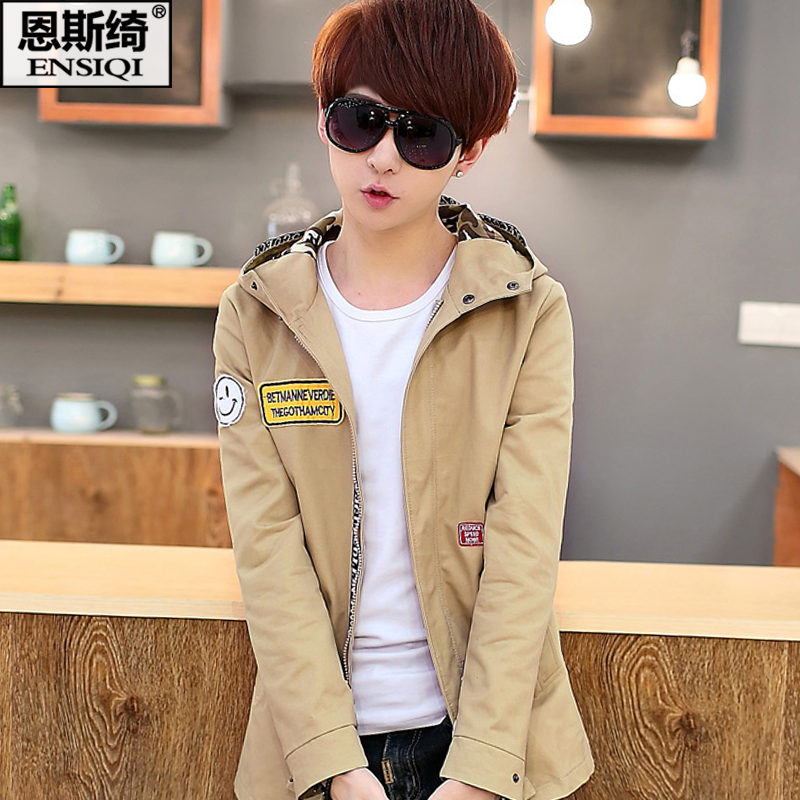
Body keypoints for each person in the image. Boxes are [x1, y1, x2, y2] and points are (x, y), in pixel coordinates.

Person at [213, 1, 594, 799]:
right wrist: (333, 763)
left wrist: (482, 767)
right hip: (312, 751)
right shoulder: (257, 312)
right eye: (359, 121)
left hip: (482, 744)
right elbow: (267, 547)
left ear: (471, 152)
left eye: (421, 135)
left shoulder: (528, 308)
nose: (382, 158)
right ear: (324, 122)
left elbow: (523, 546)